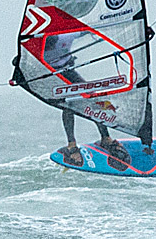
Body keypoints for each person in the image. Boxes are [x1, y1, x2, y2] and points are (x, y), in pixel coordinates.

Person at [43, 32, 130, 167]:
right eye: (47, 48)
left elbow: (93, 28)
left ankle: (105, 138)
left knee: (94, 99)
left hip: (67, 69)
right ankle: (71, 144)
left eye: (52, 46)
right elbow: (26, 58)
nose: (50, 49)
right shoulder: (38, 45)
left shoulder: (67, 36)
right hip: (49, 75)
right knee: (68, 104)